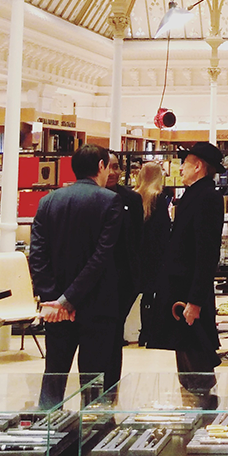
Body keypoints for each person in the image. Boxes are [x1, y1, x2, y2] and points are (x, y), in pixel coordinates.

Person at [28, 144, 123, 404]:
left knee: (54, 377)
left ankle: (47, 434)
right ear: (101, 166)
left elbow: (37, 254)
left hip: (55, 309)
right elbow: (101, 257)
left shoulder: (48, 201)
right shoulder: (110, 201)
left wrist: (54, 299)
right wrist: (68, 300)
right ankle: (92, 437)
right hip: (97, 305)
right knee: (94, 383)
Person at [141, 141, 226, 395]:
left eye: (185, 163)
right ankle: (194, 411)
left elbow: (206, 253)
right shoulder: (194, 194)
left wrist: (196, 301)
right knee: (186, 358)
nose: (180, 168)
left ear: (198, 166)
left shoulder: (207, 197)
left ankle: (202, 413)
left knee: (196, 363)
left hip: (189, 295)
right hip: (180, 290)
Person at [103, 150, 144, 374]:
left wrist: (135, 277)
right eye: (108, 166)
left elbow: (138, 237)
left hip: (123, 279)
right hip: (92, 280)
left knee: (114, 332)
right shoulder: (89, 196)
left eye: (117, 166)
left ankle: (111, 386)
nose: (113, 172)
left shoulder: (131, 198)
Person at [134, 162, 171, 346]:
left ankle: (143, 332)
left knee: (143, 295)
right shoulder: (159, 198)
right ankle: (152, 331)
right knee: (154, 294)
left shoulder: (134, 196)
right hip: (156, 254)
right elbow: (164, 230)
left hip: (137, 253)